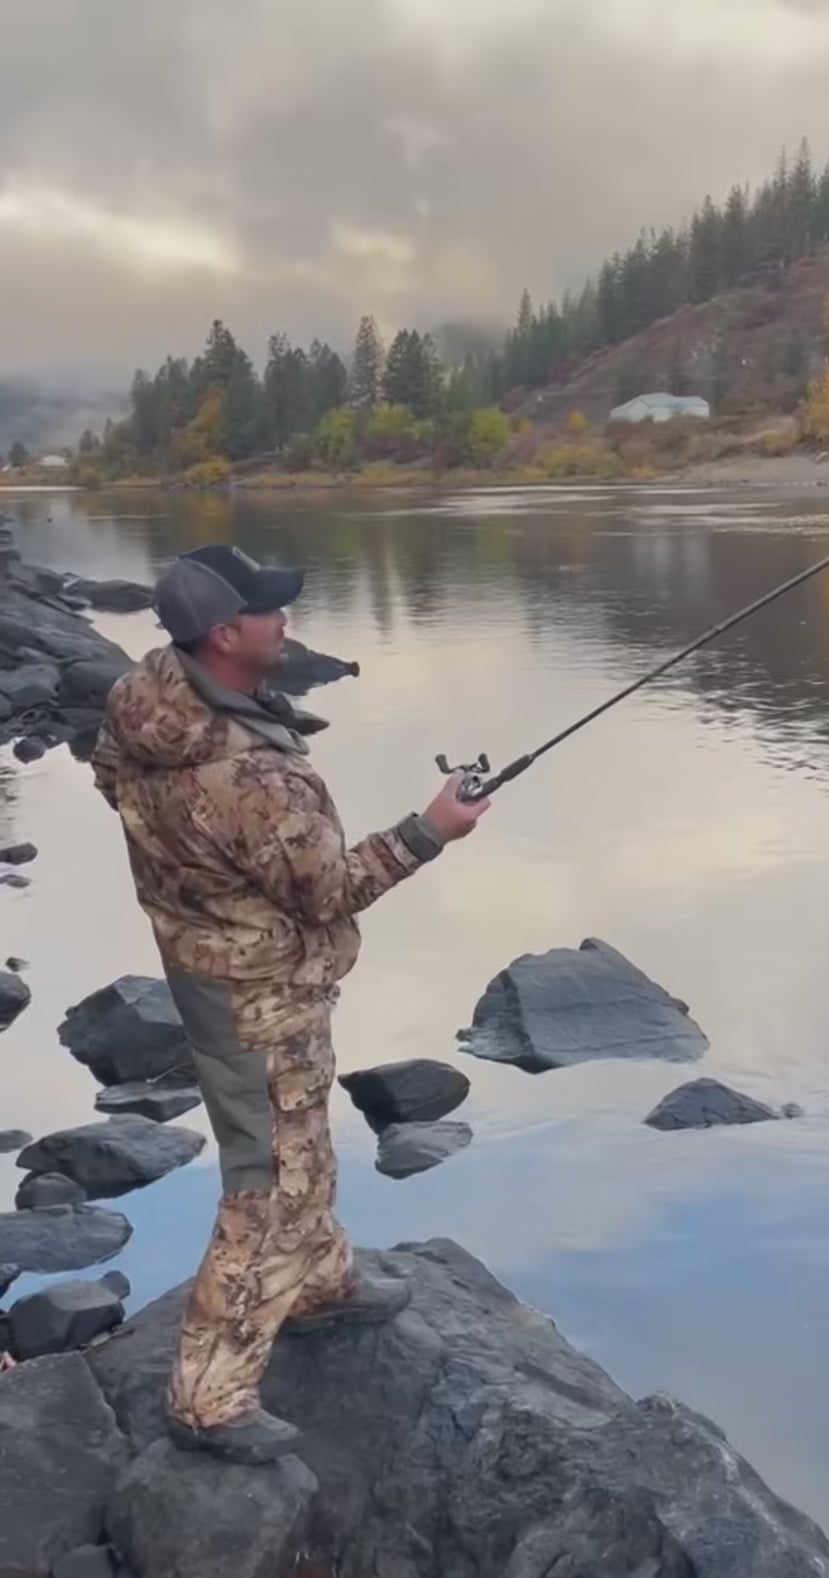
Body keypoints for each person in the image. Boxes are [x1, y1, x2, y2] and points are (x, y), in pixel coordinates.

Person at [92, 544, 489, 1463]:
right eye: (268, 610)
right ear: (226, 636)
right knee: (268, 1181)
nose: (285, 621)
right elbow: (329, 891)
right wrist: (432, 829)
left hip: (211, 966)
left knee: (298, 1135)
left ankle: (318, 1279)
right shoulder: (257, 779)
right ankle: (208, 1395)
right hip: (257, 994)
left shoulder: (143, 696)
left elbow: (114, 781)